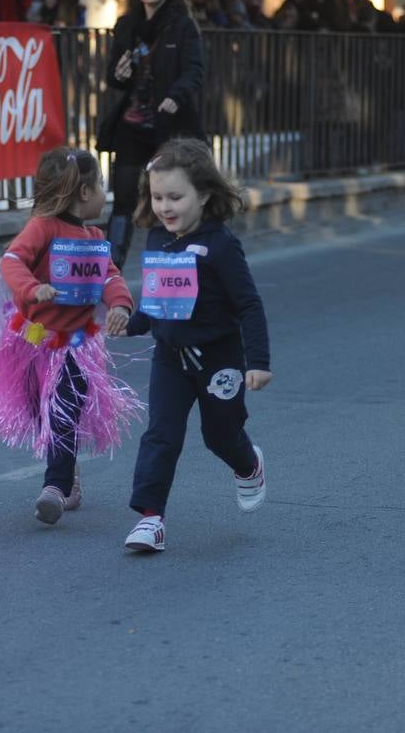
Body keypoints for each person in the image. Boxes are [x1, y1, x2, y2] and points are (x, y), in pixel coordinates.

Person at [118, 138, 271, 552]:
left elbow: (248, 304)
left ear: (203, 195)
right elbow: (157, 298)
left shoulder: (220, 246)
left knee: (220, 435)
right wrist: (132, 324)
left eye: (175, 197)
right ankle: (150, 519)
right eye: (157, 196)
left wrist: (257, 361)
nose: (165, 206)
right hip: (170, 358)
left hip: (218, 359)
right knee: (161, 435)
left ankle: (249, 463)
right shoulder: (155, 239)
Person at [0, 147, 139, 525]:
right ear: (84, 193)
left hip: (76, 346)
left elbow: (110, 276)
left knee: (63, 409)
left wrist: (119, 305)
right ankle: (69, 477)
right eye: (101, 184)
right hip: (33, 340)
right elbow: (13, 261)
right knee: (43, 413)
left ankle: (54, 487)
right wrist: (32, 288)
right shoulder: (42, 228)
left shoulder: (95, 235)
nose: (104, 192)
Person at [97, 0, 206, 270]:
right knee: (124, 201)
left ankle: (172, 269)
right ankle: (111, 271)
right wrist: (119, 73)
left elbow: (195, 71)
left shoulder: (182, 26)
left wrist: (176, 95)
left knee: (168, 200)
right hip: (132, 125)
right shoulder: (127, 25)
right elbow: (113, 78)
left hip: (169, 126)